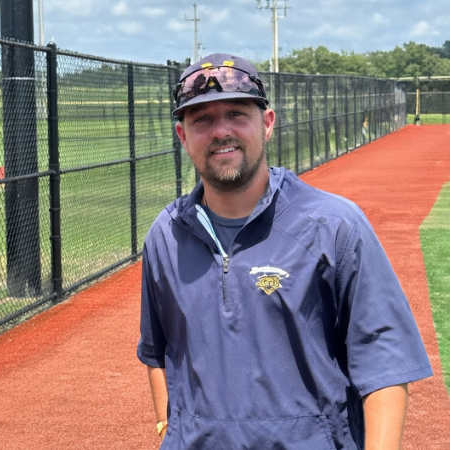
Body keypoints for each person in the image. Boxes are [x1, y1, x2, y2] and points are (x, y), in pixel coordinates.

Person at [137, 53, 433, 450]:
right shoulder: (166, 234)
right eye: (202, 119)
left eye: (237, 113)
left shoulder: (333, 225)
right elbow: (159, 351)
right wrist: (168, 429)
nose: (220, 130)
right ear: (182, 136)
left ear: (268, 123)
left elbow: (385, 365)